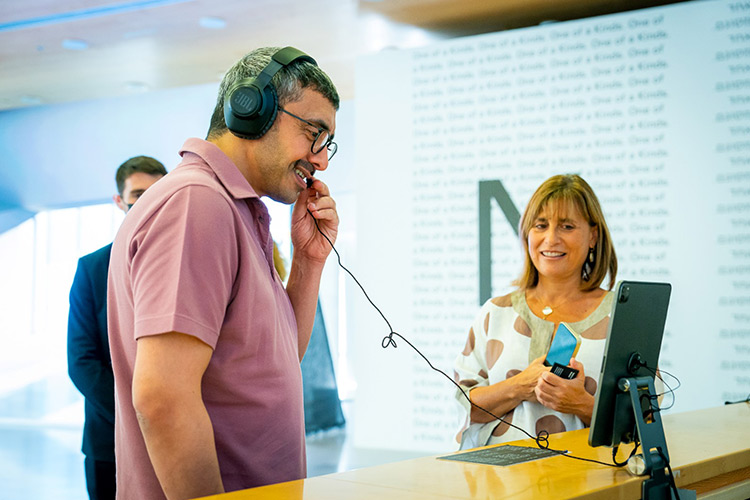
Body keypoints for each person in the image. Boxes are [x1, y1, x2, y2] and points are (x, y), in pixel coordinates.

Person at [107, 46, 340, 500]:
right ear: (252, 110)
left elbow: (276, 360)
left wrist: (308, 262)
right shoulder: (197, 204)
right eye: (314, 133)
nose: (321, 160)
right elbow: (162, 399)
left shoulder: (232, 208)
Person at [453, 174, 618, 449]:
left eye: (567, 226)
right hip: (504, 487)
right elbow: (465, 406)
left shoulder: (621, 316)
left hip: (593, 485)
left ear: (593, 236)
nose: (551, 239)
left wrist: (584, 405)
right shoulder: (495, 313)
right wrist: (520, 386)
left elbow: (644, 421)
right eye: (541, 225)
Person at [67, 155, 167, 500]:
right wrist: (138, 415)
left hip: (175, 437)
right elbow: (82, 362)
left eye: (158, 193)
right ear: (119, 201)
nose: (149, 203)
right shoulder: (92, 269)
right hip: (107, 440)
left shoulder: (183, 265)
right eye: (139, 194)